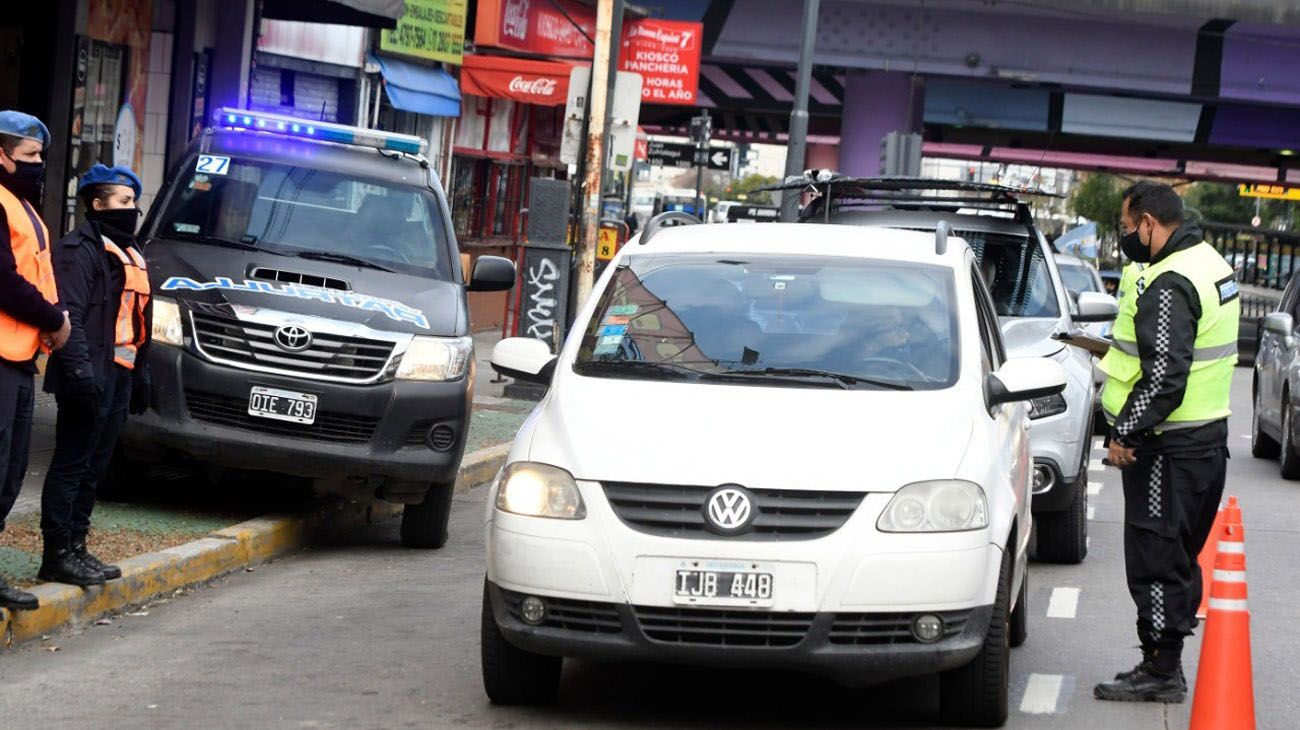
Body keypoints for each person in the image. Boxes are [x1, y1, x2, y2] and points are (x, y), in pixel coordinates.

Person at [1092, 181, 1239, 703]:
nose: (1129, 238)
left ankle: (1160, 669)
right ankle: (1166, 660)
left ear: (1151, 224)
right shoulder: (1211, 262)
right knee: (1178, 555)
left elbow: (1164, 377)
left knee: (1156, 556)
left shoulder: (1171, 280)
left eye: (1130, 229)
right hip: (1206, 441)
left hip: (1168, 447)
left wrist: (1125, 431)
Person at [39, 164, 151, 586]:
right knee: (72, 464)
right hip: (89, 377)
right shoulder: (77, 250)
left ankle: (77, 547)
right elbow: (73, 319)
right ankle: (56, 554)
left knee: (94, 467)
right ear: (97, 204)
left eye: (133, 201)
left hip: (119, 375)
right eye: (123, 202)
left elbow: (137, 318)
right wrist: (83, 375)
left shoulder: (130, 250)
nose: (132, 209)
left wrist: (141, 374)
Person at [0, 111, 70, 611]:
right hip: (1, 357)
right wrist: (54, 318)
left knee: (10, 471)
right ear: (0, 156)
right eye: (29, 156)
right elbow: (4, 281)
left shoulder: (22, 206)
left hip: (21, 357)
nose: (38, 164)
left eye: (40, 156)